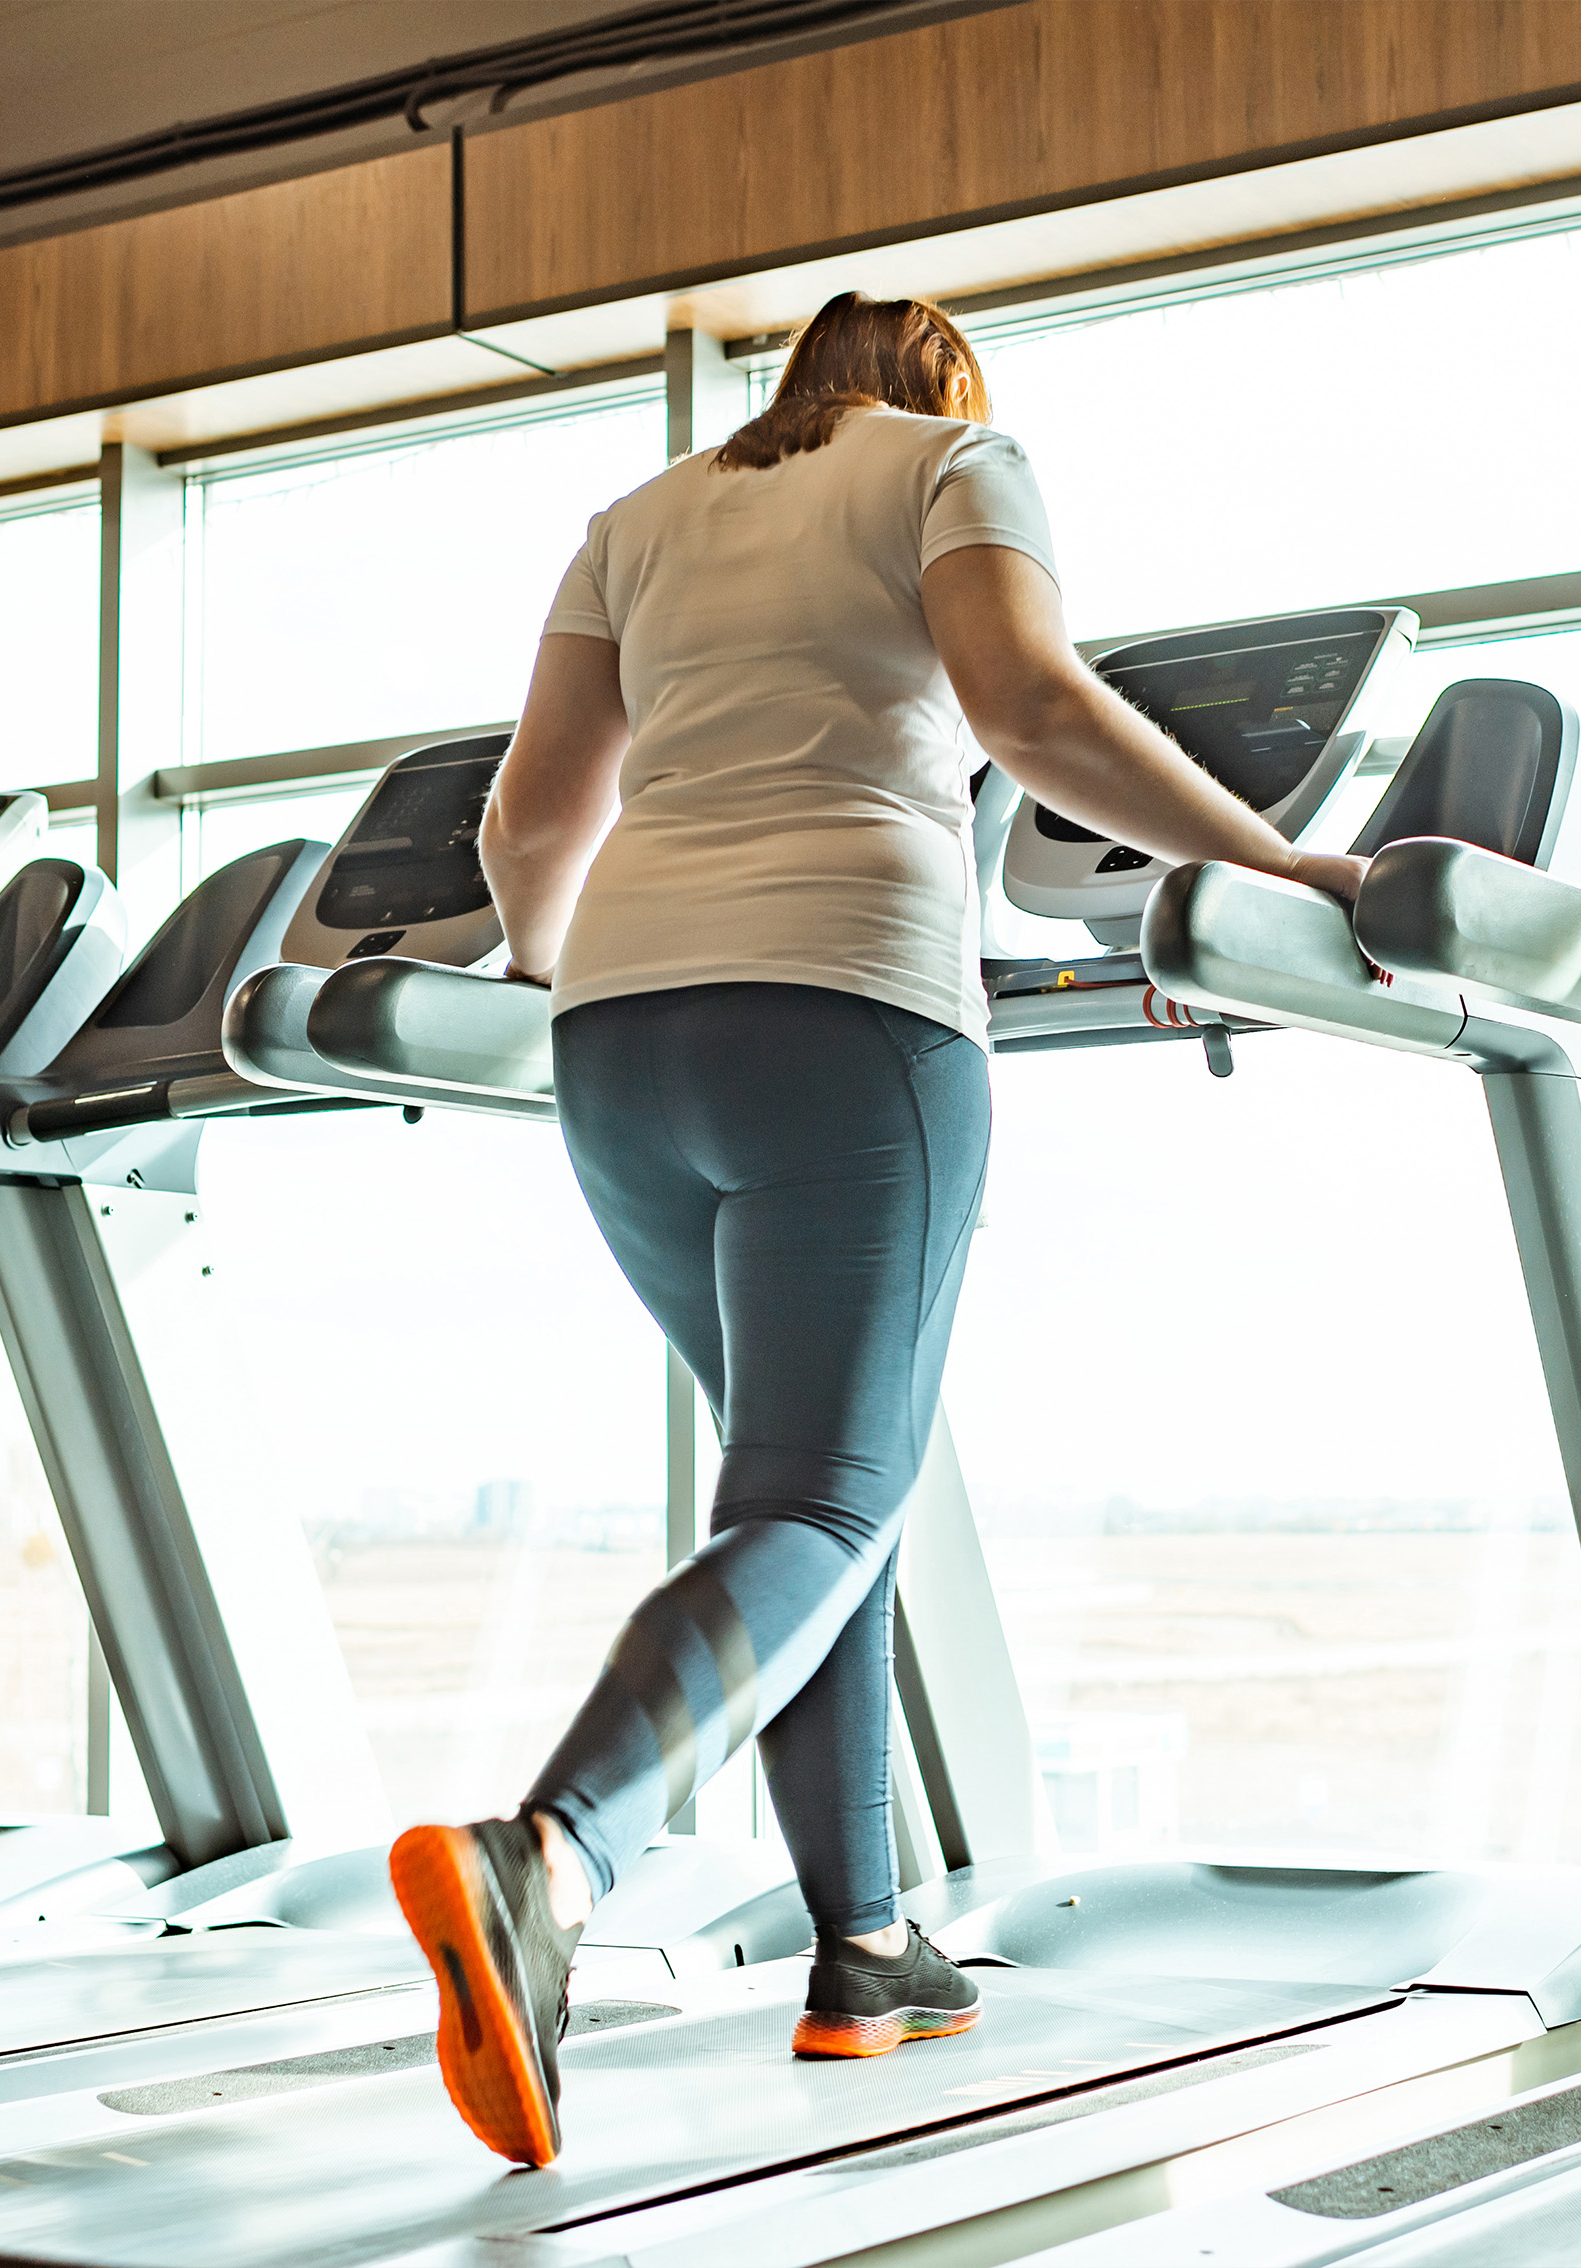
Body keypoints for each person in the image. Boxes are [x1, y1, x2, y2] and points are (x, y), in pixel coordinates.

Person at [387, 291, 1367, 2169]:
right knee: (825, 1499)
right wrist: (1264, 870)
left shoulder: (641, 516)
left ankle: (868, 1946)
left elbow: (529, 821)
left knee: (815, 1502)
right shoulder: (957, 466)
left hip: (617, 1040)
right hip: (846, 1004)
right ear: (946, 391)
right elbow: (1028, 710)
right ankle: (551, 1856)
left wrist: (551, 973)